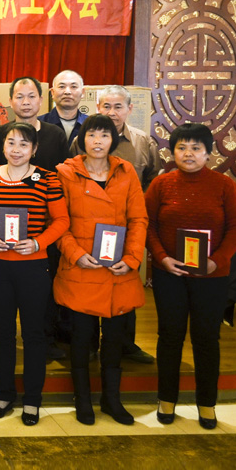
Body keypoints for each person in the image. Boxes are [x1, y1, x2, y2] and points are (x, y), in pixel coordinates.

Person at [145, 123, 236, 429]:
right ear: (172, 152)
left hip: (212, 277)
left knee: (206, 338)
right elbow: (148, 225)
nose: (188, 154)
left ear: (208, 153)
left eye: (196, 148)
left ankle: (207, 403)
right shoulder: (161, 184)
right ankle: (166, 399)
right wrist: (162, 258)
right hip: (169, 274)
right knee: (169, 336)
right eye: (182, 148)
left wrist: (217, 261)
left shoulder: (224, 186)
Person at [55, 114, 148, 426]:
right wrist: (76, 254)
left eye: (104, 135)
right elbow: (59, 222)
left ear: (113, 140)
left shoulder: (126, 171)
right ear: (82, 139)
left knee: (113, 341)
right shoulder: (65, 172)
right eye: (92, 135)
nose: (98, 141)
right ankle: (82, 400)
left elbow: (138, 219)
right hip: (82, 268)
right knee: (81, 340)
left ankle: (111, 399)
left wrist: (132, 258)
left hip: (118, 270)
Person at [0, 123, 69, 425]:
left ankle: (32, 399)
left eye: (24, 144)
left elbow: (61, 220)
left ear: (34, 149)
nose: (16, 150)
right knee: (3, 333)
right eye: (11, 143)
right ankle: (4, 394)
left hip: (33, 264)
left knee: (33, 333)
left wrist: (39, 242)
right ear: (3, 146)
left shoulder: (48, 179)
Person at [80, 84, 163, 364]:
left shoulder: (143, 142)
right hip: (88, 228)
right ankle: (89, 344)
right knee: (90, 286)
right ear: (98, 108)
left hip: (127, 230)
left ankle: (126, 344)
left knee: (125, 287)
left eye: (118, 106)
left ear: (130, 109)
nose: (112, 112)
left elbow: (152, 180)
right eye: (106, 106)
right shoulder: (83, 138)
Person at [0, 77, 68, 172]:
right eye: (20, 97)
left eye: (31, 96)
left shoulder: (56, 135)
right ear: (11, 102)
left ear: (40, 100)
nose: (26, 102)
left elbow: (64, 173)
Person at [39, 70, 88, 150]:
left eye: (73, 87)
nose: (67, 92)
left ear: (82, 92)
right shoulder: (39, 124)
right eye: (62, 87)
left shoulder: (90, 125)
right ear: (52, 93)